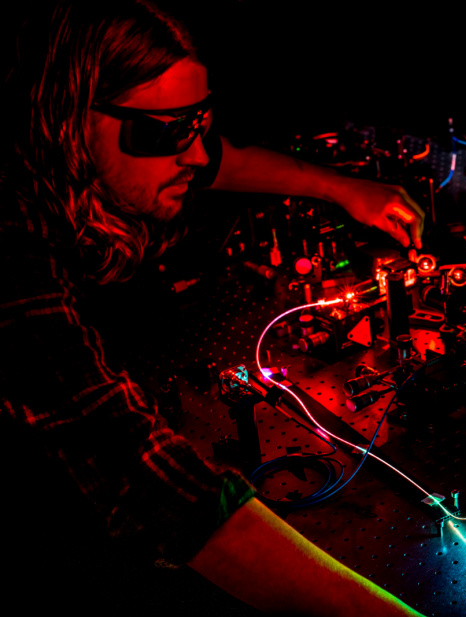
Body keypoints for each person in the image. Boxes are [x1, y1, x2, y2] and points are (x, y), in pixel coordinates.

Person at [0, 1, 426, 615]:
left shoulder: (80, 165)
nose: (196, 155)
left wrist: (345, 188)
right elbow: (142, 477)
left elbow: (224, 161)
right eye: (167, 131)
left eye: (198, 120)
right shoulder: (9, 254)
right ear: (69, 123)